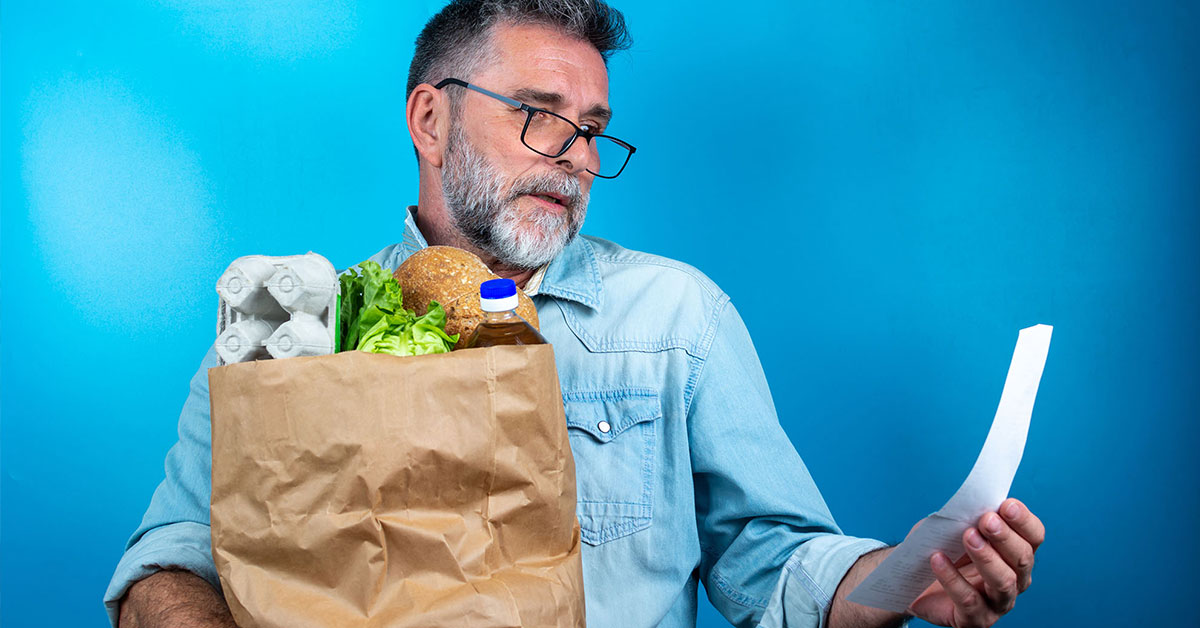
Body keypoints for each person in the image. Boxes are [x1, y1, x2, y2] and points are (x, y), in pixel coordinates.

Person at [106, 1, 1046, 627]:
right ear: (429, 120)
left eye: (593, 128)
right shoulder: (288, 321)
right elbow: (168, 559)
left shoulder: (676, 316)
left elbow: (770, 558)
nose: (575, 156)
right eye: (537, 111)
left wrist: (900, 574)